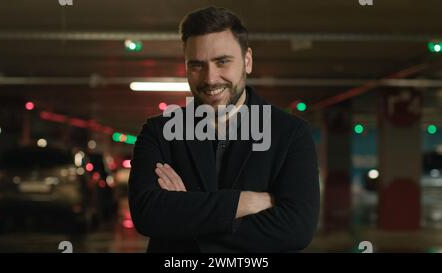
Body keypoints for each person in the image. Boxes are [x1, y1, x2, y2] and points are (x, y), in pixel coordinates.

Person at [128, 6, 320, 253]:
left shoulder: (291, 134)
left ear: (247, 61)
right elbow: (148, 215)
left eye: (222, 62)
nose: (210, 78)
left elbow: (297, 230)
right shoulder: (159, 132)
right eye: (197, 65)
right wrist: (244, 202)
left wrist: (184, 218)